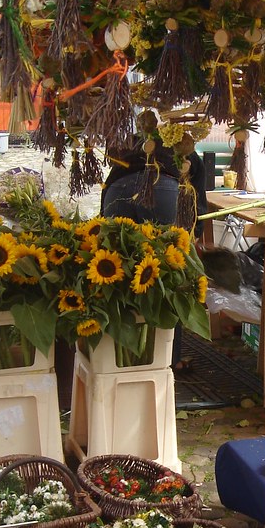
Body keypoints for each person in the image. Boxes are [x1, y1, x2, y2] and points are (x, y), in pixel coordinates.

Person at [101, 135, 209, 368]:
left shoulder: (134, 143)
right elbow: (197, 204)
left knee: (115, 269)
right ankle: (169, 359)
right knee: (171, 272)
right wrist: (193, 234)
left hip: (117, 190)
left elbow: (111, 173)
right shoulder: (189, 155)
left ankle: (117, 356)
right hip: (164, 188)